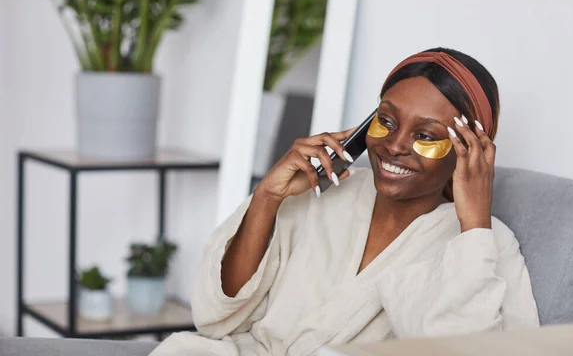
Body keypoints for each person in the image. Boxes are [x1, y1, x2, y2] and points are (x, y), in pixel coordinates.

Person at [150, 48, 539, 356]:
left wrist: (473, 227)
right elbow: (217, 316)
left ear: (470, 150)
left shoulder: (486, 242)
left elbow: (466, 349)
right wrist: (267, 197)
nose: (395, 145)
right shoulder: (325, 195)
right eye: (385, 120)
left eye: (425, 135)